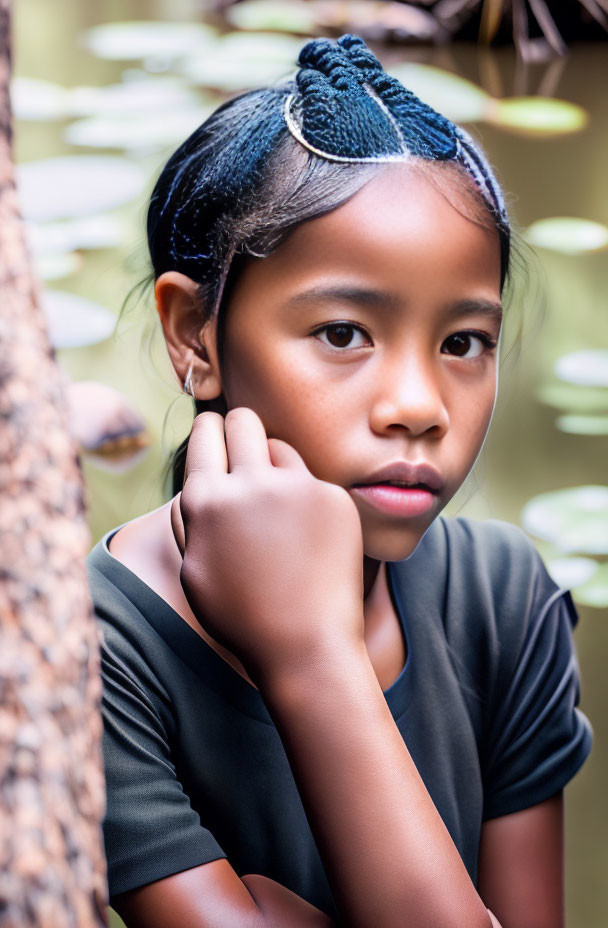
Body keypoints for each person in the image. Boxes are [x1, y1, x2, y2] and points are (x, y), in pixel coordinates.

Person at [87, 34, 593, 928]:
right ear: (195, 335)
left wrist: (312, 650)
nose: (418, 405)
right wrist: (309, 653)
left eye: (463, 343)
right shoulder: (93, 654)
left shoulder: (501, 599)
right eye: (344, 333)